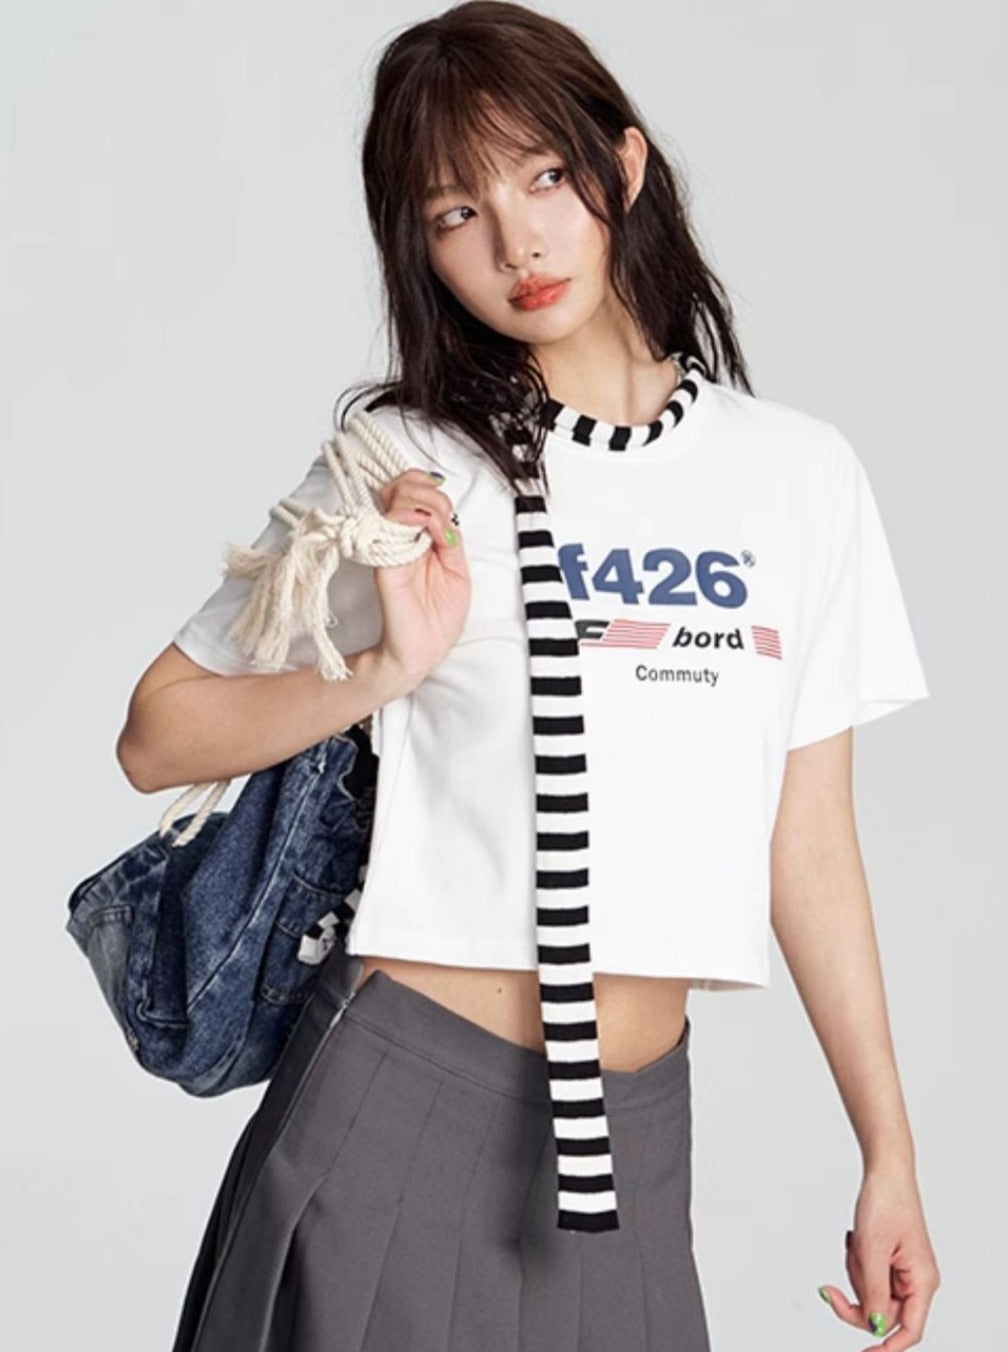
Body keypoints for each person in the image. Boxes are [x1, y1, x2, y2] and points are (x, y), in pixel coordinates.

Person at [116, 3, 941, 1349]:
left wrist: (887, 1150)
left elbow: (810, 838)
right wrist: (385, 667)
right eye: (457, 212)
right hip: (402, 1106)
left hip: (638, 1142)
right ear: (420, 246)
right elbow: (157, 733)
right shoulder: (411, 463)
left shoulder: (798, 477)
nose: (516, 244)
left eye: (545, 179)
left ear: (623, 167)